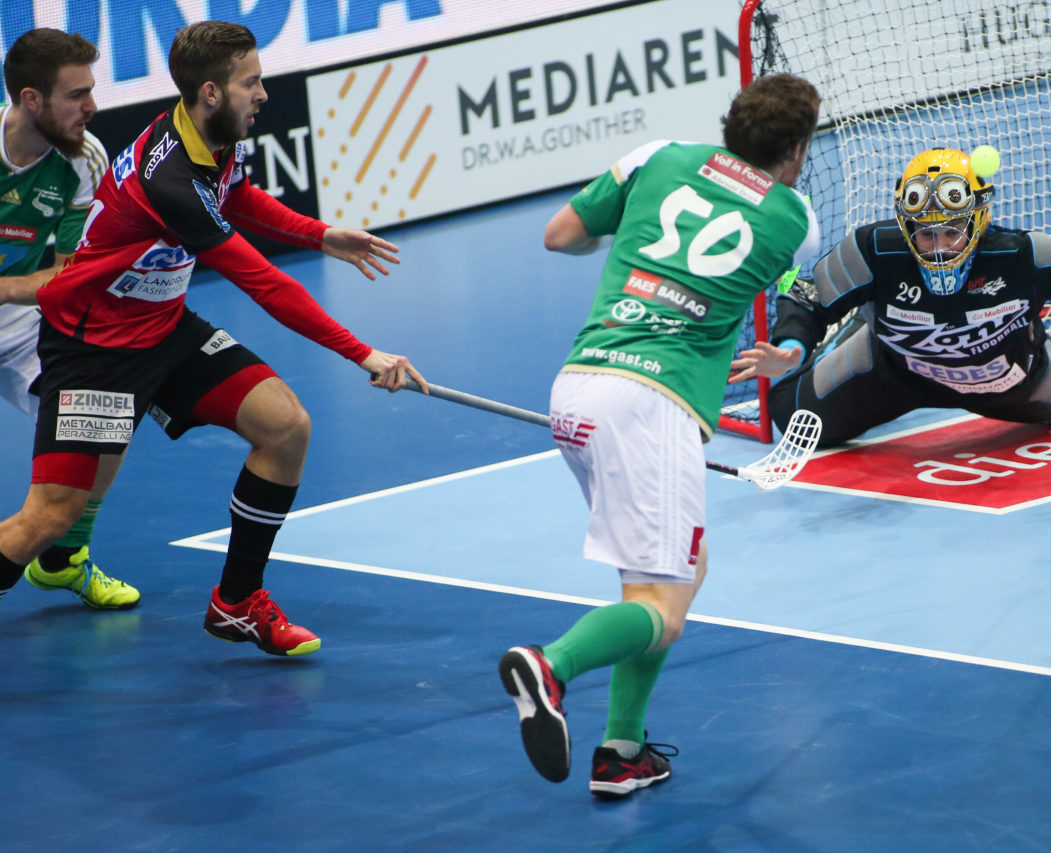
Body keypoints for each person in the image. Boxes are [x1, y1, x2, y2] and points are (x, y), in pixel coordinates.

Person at [0, 20, 425, 657]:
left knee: (285, 426)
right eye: (250, 82)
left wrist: (321, 234)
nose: (262, 93)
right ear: (210, 91)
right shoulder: (169, 180)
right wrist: (364, 353)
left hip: (166, 329)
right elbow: (264, 284)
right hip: (97, 353)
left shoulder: (209, 134)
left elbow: (239, 194)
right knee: (51, 517)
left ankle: (237, 603)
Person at [497, 73, 822, 798]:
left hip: (577, 387)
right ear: (797, 148)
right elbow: (794, 290)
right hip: (654, 404)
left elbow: (561, 236)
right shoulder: (795, 215)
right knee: (662, 612)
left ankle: (622, 751)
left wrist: (635, 252)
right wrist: (784, 357)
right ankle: (549, 665)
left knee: (671, 573)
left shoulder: (660, 154)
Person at [745, 147, 1051, 445]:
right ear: (905, 226)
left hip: (1013, 382)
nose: (938, 246)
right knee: (792, 418)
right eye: (925, 233)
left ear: (978, 222)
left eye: (952, 232)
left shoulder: (1021, 255)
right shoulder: (874, 250)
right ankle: (866, 325)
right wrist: (791, 347)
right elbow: (805, 294)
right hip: (894, 373)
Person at [0, 28, 139, 609]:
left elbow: (67, 275)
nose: (92, 106)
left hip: (22, 328)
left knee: (106, 417)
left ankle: (63, 558)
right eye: (76, 94)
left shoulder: (84, 158)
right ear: (31, 99)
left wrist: (5, 289)